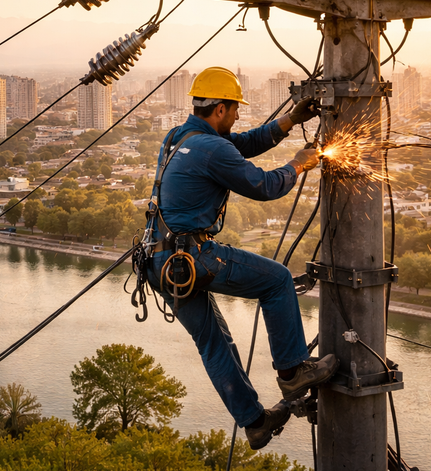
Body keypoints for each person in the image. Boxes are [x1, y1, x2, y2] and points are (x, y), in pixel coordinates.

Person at [144, 66, 338, 450]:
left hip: (159, 261)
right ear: (218, 109)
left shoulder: (178, 137)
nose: (237, 117)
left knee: (213, 343)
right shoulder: (211, 147)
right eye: (234, 110)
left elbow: (238, 146)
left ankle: (254, 422)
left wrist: (288, 121)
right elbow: (264, 186)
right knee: (277, 280)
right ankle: (293, 370)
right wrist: (298, 164)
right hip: (192, 256)